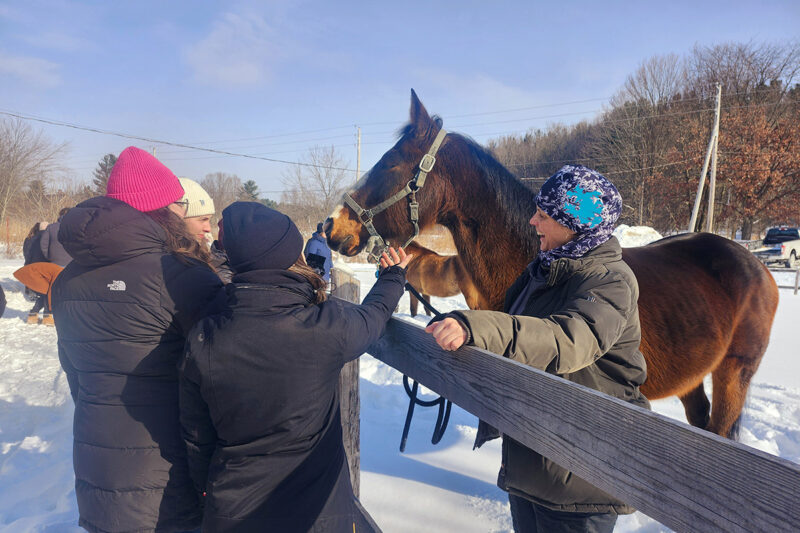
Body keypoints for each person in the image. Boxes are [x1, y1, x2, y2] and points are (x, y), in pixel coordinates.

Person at [426, 165, 649, 533]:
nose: (532, 222)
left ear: (575, 223)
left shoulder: (610, 281)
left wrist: (477, 325)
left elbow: (566, 340)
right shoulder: (543, 270)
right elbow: (517, 336)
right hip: (533, 460)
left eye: (543, 215)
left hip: (579, 476)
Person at [179, 201, 412, 532]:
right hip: (316, 513)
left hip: (232, 512)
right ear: (291, 256)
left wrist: (208, 489)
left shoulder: (205, 338)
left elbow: (196, 436)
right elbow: (372, 318)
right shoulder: (323, 327)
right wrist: (393, 277)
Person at [52, 146, 225, 533]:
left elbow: (77, 377)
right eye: (178, 204)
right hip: (168, 478)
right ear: (163, 209)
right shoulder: (182, 276)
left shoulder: (65, 281)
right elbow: (221, 377)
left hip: (96, 468)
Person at [178, 177, 233, 283]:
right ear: (180, 219)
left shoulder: (203, 256)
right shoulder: (169, 264)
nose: (208, 228)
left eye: (209, 220)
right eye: (203, 219)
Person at [22, 221, 50, 323]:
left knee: (44, 293)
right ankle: (46, 317)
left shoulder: (31, 239)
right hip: (45, 269)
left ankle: (34, 315)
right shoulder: (48, 238)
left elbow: (27, 255)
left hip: (33, 268)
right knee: (47, 293)